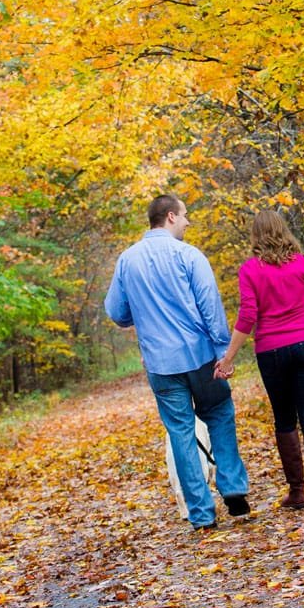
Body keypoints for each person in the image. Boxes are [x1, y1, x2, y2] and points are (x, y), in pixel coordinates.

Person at [104, 193, 250, 530]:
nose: (187, 222)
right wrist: (222, 354)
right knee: (220, 414)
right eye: (184, 216)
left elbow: (116, 311)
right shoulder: (189, 255)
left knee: (181, 433)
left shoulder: (127, 260)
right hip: (199, 356)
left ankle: (201, 514)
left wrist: (139, 316)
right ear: (170, 216)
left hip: (161, 365)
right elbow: (211, 307)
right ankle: (234, 491)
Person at [214, 210, 304, 511]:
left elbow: (248, 316)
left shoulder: (250, 270)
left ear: (256, 236)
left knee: (284, 419)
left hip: (272, 350)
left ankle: (298, 491)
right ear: (284, 231)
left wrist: (227, 359)